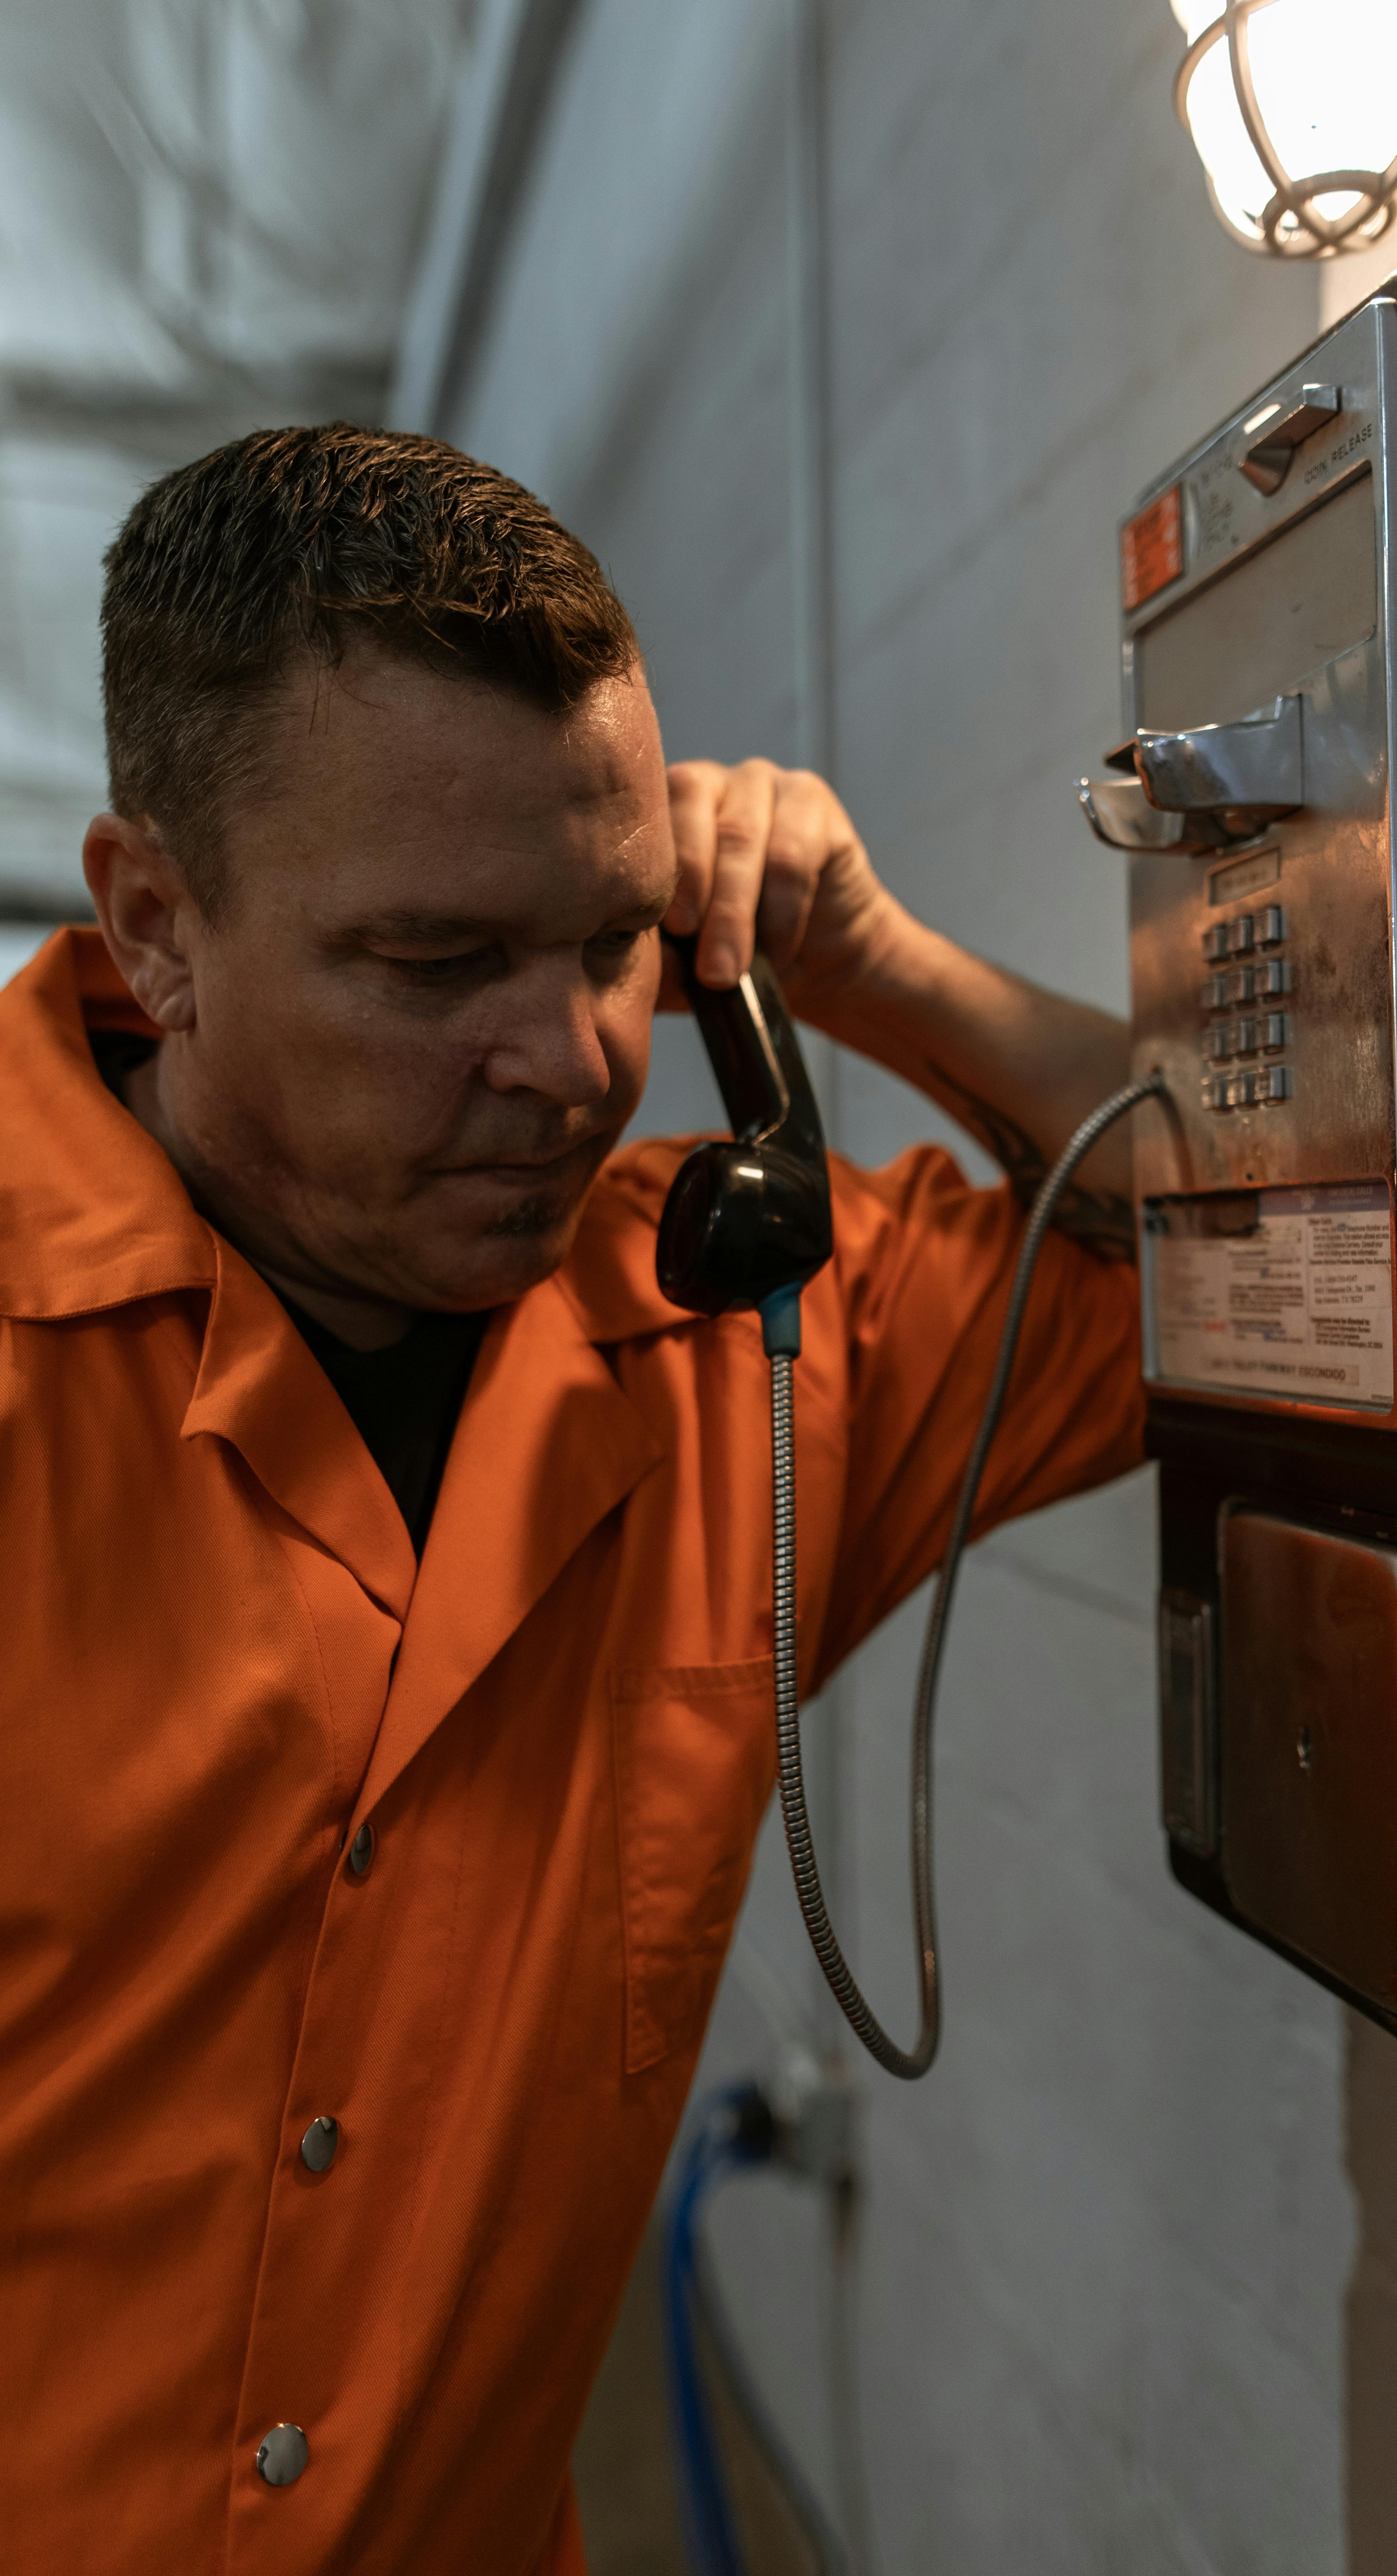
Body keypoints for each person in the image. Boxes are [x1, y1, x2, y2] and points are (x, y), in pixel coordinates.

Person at [0, 424, 1144, 2574]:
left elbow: (1252, 1256)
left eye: (615, 942)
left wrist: (873, 963)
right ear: (157, 923)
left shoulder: (747, 1333)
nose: (576, 1059)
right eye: (436, 968)